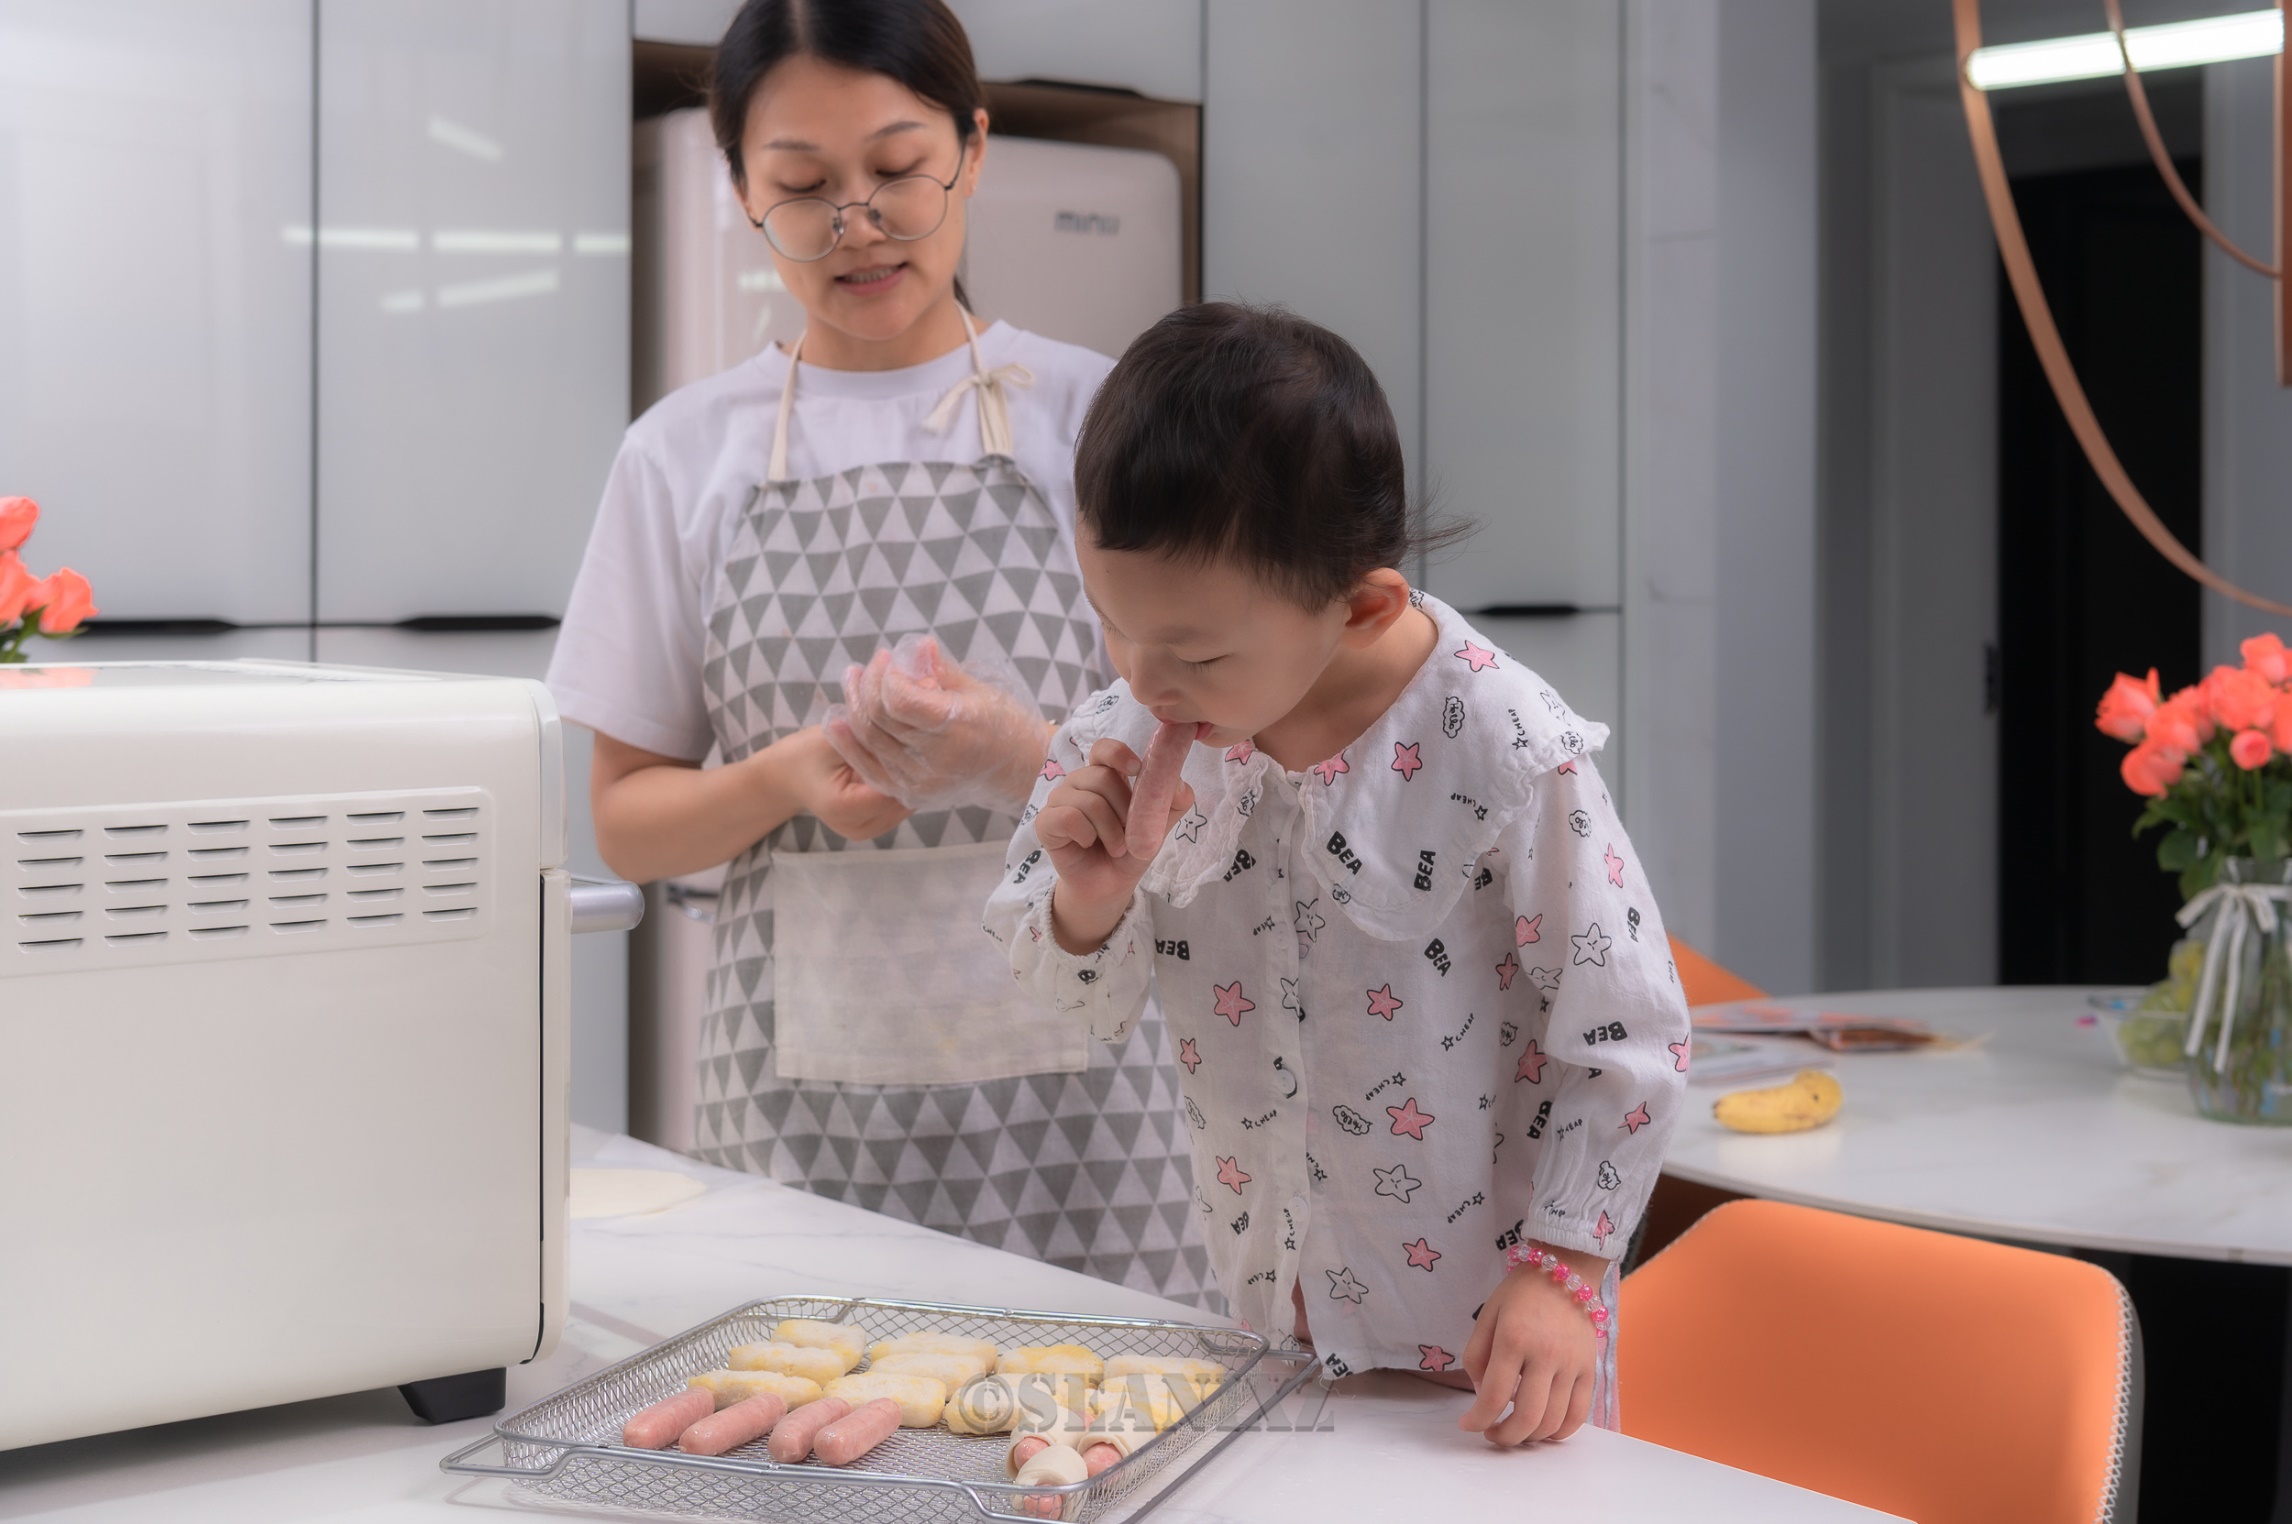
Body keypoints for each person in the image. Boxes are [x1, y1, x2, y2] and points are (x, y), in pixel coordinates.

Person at [547, 0, 1210, 1304]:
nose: (859, 223)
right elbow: (628, 827)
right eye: (803, 186)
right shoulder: (681, 456)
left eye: (899, 170)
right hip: (803, 1115)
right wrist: (790, 777)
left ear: (974, 146)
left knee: (1104, 1466)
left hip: (1098, 1123)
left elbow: (1228, 779)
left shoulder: (1097, 421)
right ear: (740, 186)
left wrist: (1017, 753)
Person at [984, 304, 1690, 1442]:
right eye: (1115, 625)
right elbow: (1071, 1000)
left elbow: (1630, 1034)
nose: (1146, 680)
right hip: (1265, 1325)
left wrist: (1564, 1270)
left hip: (1498, 1357)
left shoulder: (1499, 740)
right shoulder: (1124, 733)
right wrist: (1089, 899)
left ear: (1360, 609)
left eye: (1199, 652)